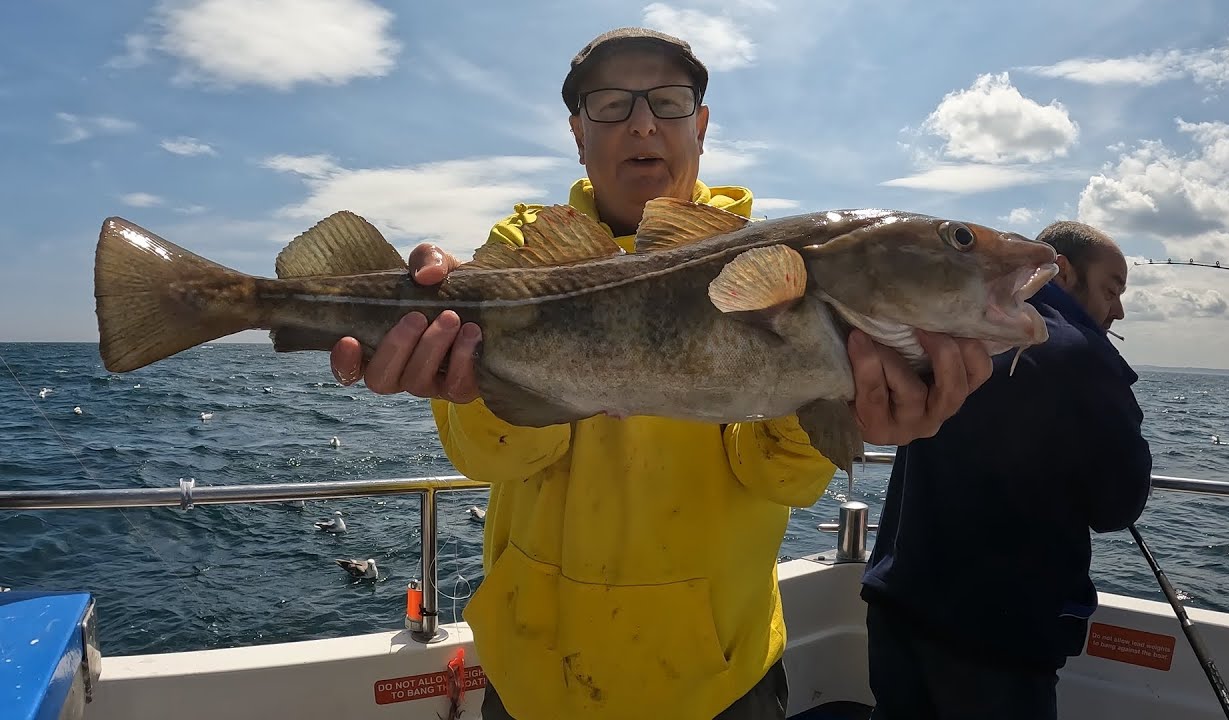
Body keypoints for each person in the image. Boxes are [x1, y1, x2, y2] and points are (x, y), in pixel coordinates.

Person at [330, 27, 994, 720]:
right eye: (611, 103)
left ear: (700, 126)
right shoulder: (517, 258)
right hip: (534, 680)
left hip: (715, 684)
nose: (643, 122)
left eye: (669, 101)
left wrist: (843, 400)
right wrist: (461, 373)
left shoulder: (775, 273)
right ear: (578, 133)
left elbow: (778, 480)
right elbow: (489, 454)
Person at [859, 219, 1154, 720]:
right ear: (1060, 274)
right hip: (1000, 642)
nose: (1118, 309)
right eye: (1111, 289)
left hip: (899, 608)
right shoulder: (1083, 361)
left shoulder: (956, 330)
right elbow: (1117, 505)